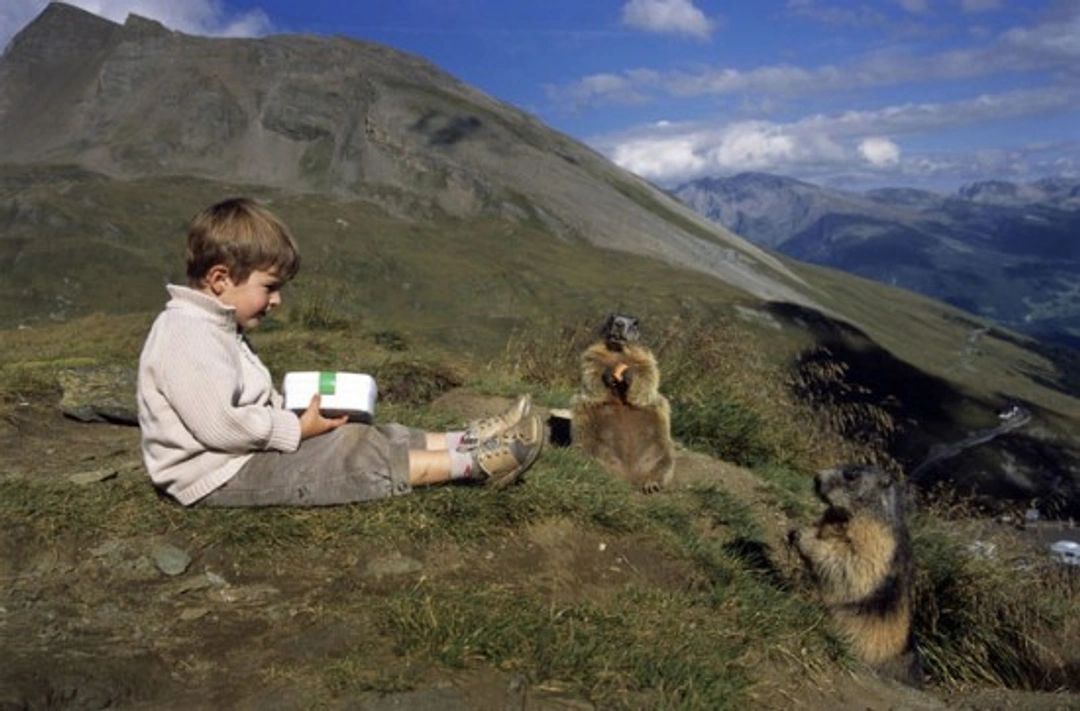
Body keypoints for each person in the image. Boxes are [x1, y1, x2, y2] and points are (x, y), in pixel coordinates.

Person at [136, 197, 544, 507]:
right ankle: (477, 465)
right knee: (349, 456)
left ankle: (466, 440)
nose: (276, 301)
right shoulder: (188, 334)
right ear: (221, 278)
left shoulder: (218, 326)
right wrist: (293, 430)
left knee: (359, 434)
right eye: (269, 287)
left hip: (238, 457)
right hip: (216, 475)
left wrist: (296, 417)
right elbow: (220, 427)